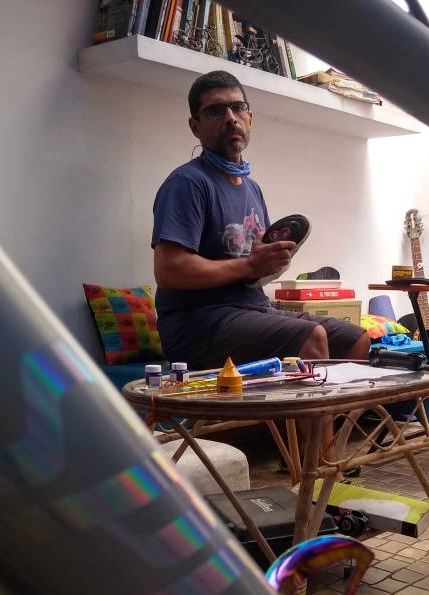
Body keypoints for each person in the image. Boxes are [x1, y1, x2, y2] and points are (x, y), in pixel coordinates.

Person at [151, 70, 369, 372]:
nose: (230, 118)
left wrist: (271, 264)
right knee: (312, 337)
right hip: (196, 324)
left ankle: (319, 403)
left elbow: (252, 272)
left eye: (237, 107)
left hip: (253, 309)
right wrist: (251, 265)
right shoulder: (188, 183)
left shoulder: (251, 188)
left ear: (250, 117)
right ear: (195, 126)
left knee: (356, 339)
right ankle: (308, 403)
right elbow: (169, 270)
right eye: (215, 110)